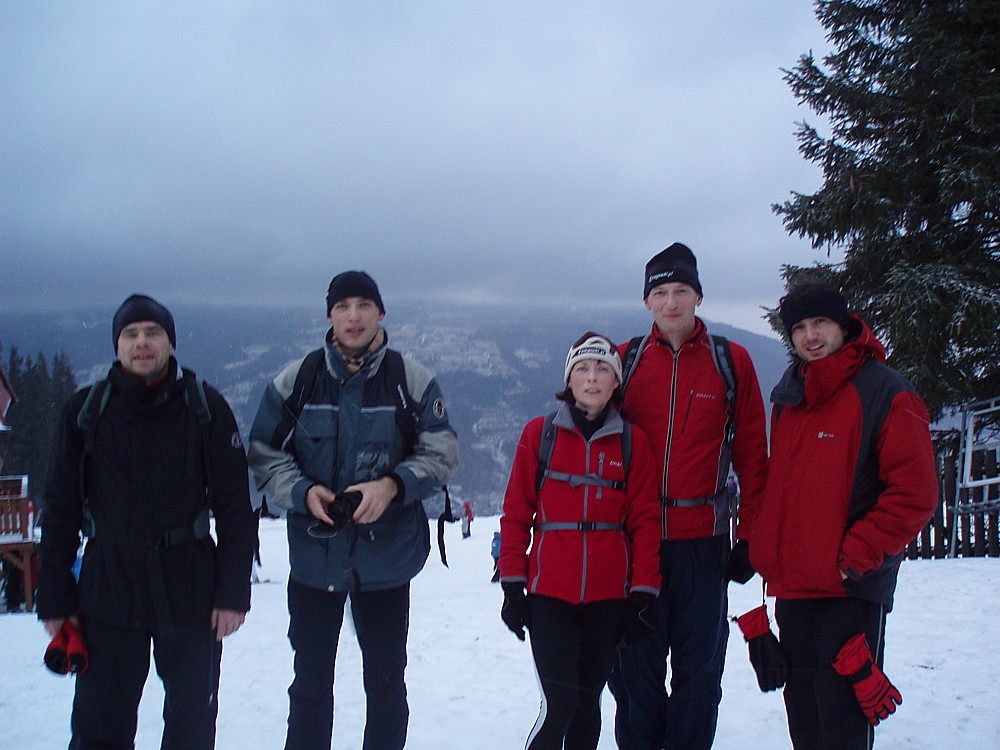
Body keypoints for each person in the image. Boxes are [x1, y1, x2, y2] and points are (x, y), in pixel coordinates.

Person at [247, 270, 459, 750]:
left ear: (381, 312)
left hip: (386, 561)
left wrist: (392, 486)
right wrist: (301, 492)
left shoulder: (410, 380)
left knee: (385, 685)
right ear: (330, 315)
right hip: (315, 557)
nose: (354, 316)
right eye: (343, 306)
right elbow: (263, 451)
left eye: (364, 305)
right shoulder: (298, 380)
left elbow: (442, 452)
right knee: (309, 684)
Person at [36, 293, 258, 750]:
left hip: (190, 585)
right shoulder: (86, 411)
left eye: (153, 333)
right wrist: (55, 597)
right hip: (108, 587)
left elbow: (236, 508)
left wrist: (233, 592)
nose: (142, 342)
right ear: (117, 345)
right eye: (131, 334)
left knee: (191, 726)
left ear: (170, 344)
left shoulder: (205, 407)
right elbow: (59, 508)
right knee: (100, 726)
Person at [750, 283, 937, 749]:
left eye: (820, 323)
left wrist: (855, 556)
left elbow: (914, 494)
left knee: (844, 722)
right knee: (805, 720)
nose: (810, 336)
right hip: (795, 589)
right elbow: (781, 487)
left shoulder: (886, 392)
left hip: (849, 590)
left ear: (843, 325)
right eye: (799, 327)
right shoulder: (791, 395)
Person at [608, 243, 769, 750]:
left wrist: (751, 539)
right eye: (660, 293)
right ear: (647, 302)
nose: (671, 302)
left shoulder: (730, 362)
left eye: (681, 291)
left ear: (698, 297)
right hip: (637, 544)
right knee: (634, 671)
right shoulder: (625, 361)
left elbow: (754, 461)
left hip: (703, 545)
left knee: (699, 675)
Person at [499, 332, 661, 750]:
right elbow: (516, 514)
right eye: (582, 369)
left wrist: (643, 594)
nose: (592, 378)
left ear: (616, 381)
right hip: (549, 594)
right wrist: (513, 586)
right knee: (560, 705)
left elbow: (645, 522)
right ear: (568, 379)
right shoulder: (541, 435)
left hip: (608, 598)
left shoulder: (632, 442)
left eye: (602, 369)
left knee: (588, 705)